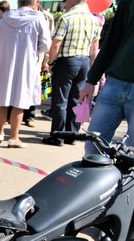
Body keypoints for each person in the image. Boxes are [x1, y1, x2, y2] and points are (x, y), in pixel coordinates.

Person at [0, 0, 51, 148]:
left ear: (18, 2)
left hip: (5, 64)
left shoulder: (5, 18)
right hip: (26, 65)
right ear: (35, 2)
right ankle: (14, 138)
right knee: (20, 101)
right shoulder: (39, 19)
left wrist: (5, 48)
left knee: (2, 100)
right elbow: (46, 44)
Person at [42, 0, 100, 146]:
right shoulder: (95, 21)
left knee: (60, 100)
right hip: (85, 62)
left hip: (67, 61)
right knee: (76, 99)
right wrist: (93, 69)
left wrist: (50, 62)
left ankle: (57, 136)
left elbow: (56, 44)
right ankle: (71, 135)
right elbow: (94, 48)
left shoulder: (66, 17)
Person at [80, 0, 133, 154]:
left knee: (130, 155)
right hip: (115, 84)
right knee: (92, 147)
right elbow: (112, 39)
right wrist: (91, 80)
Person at [23, 0, 54, 127]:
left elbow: (49, 40)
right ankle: (12, 114)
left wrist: (46, 60)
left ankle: (29, 115)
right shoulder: (21, 13)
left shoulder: (47, 17)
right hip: (23, 56)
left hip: (38, 57)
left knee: (33, 87)